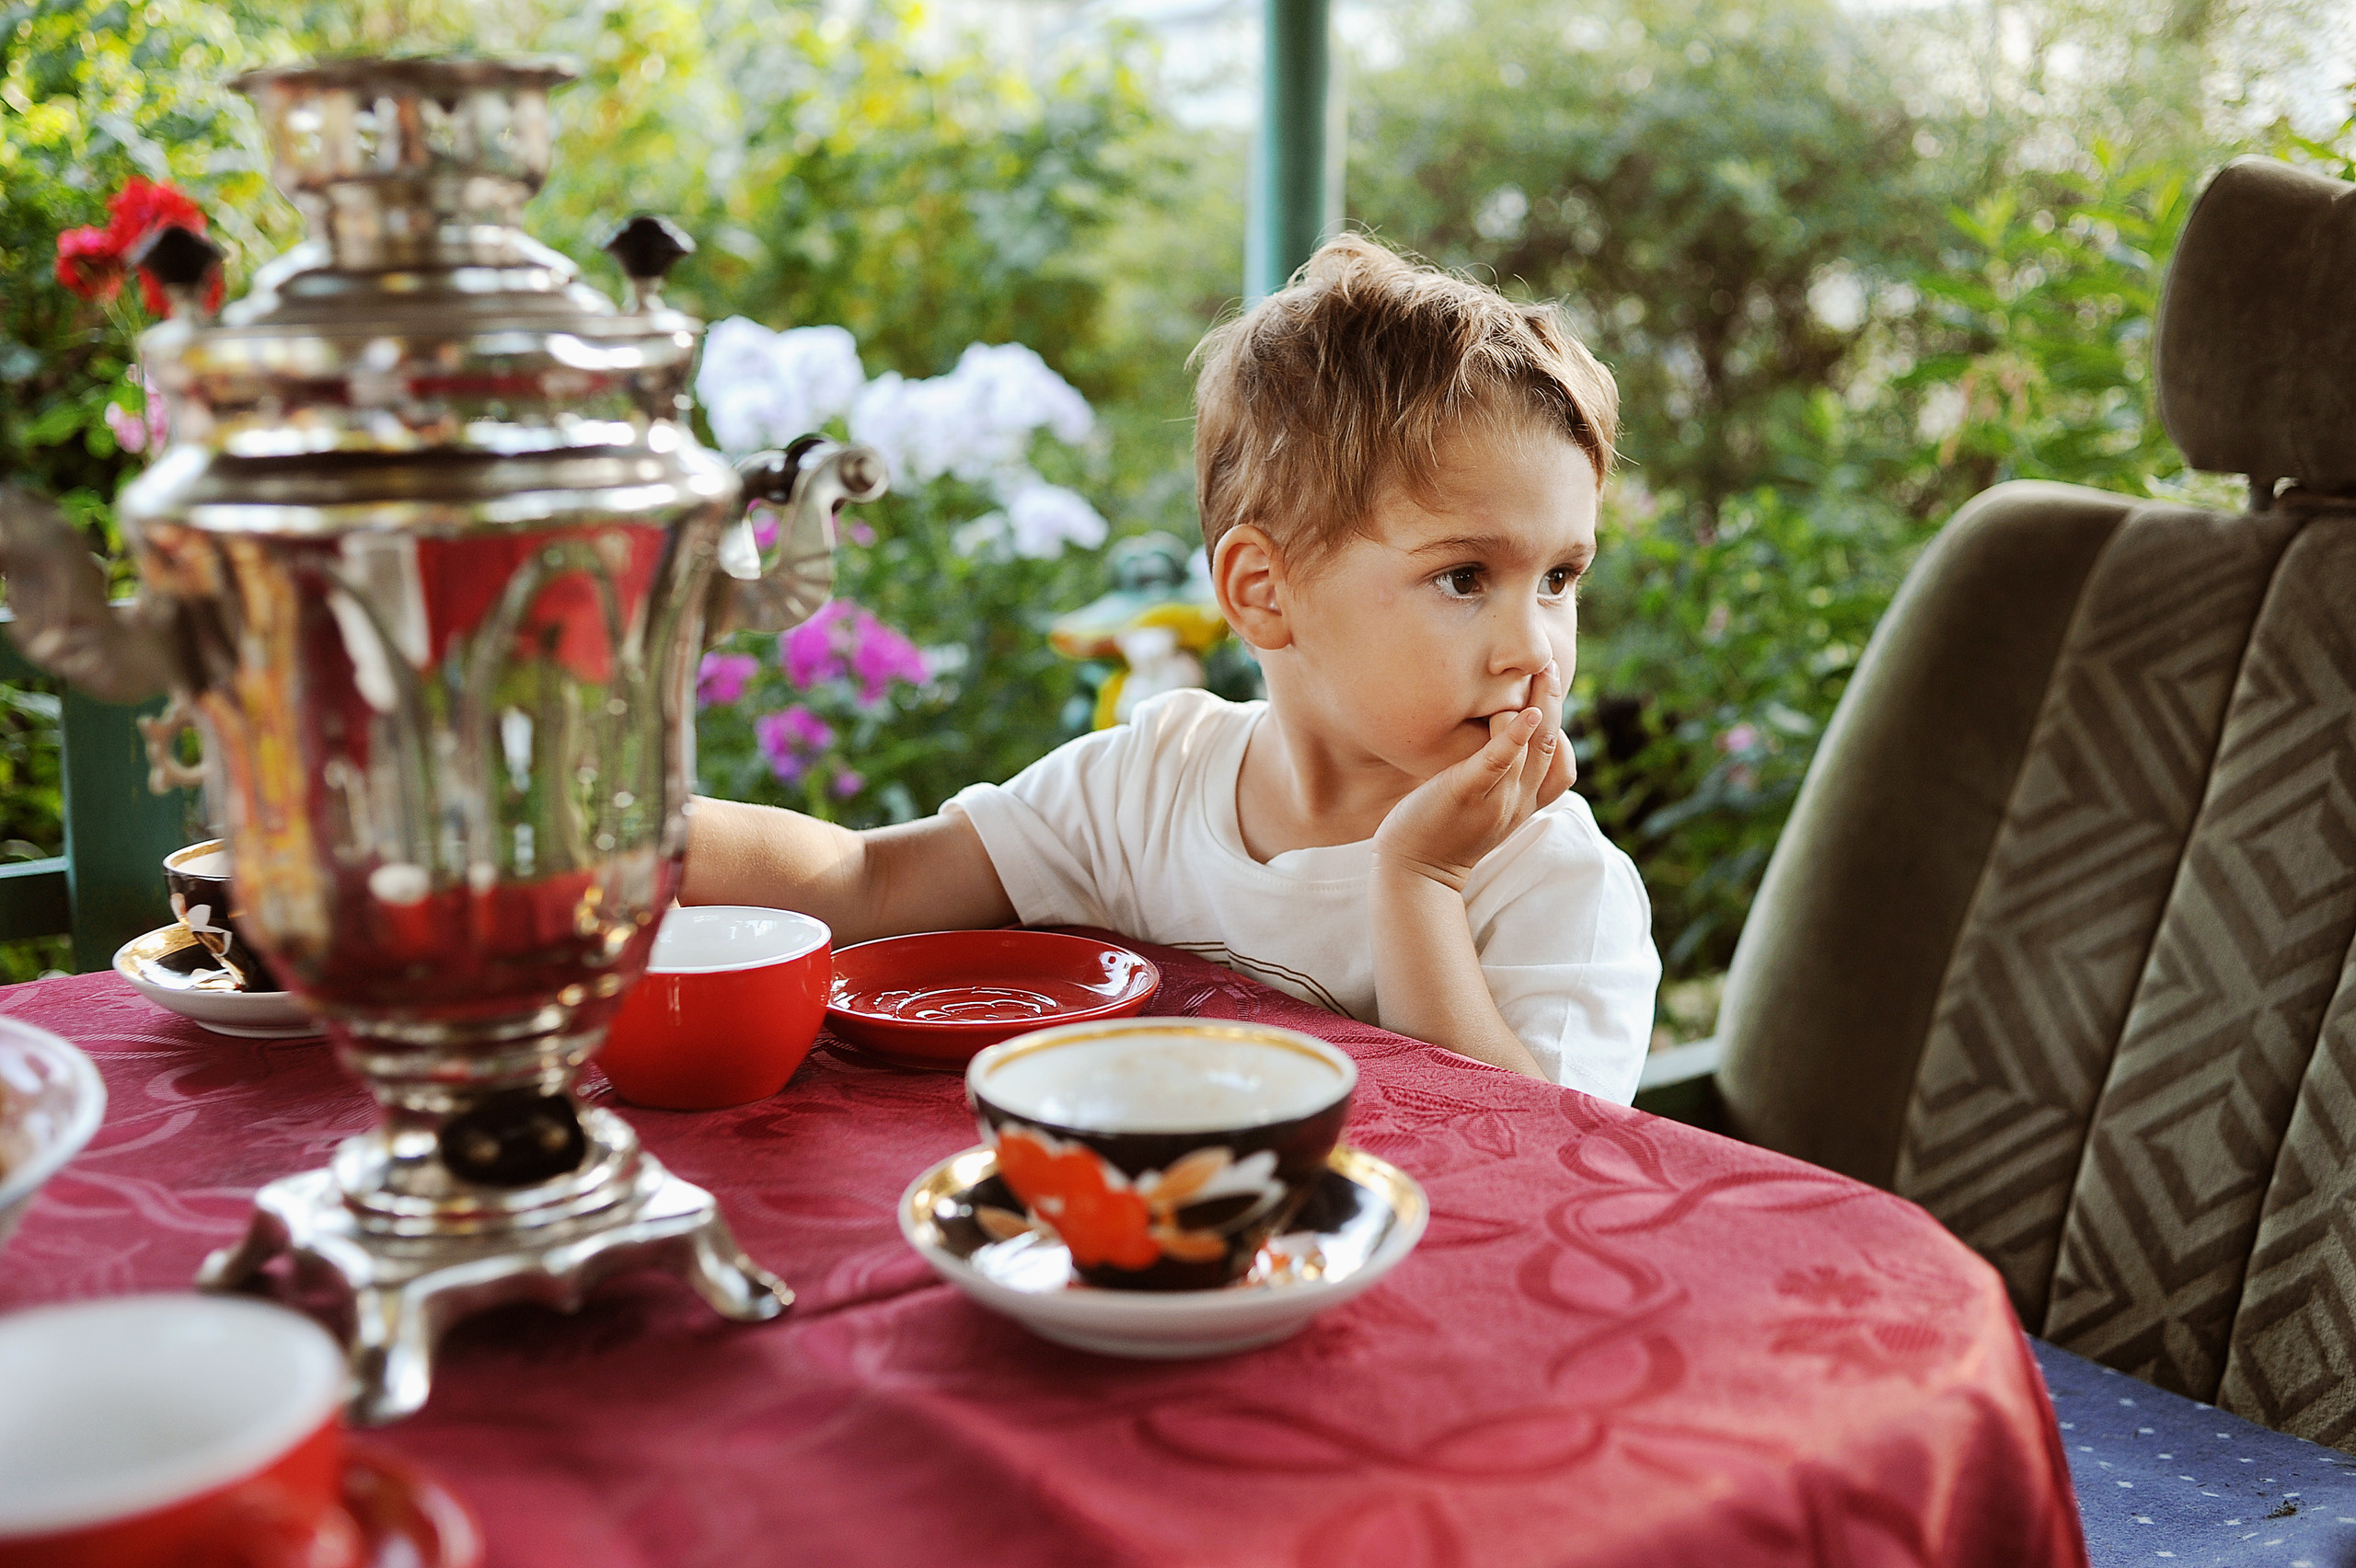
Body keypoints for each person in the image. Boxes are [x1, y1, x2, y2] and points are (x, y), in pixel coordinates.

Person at [683, 235, 1661, 1100]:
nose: (1535, 648)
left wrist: (1421, 881)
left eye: (1559, 578)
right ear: (1264, 592)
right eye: (1463, 578)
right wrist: (636, 832)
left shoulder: (1555, 886)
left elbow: (1529, 1164)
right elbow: (872, 884)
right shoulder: (1148, 786)